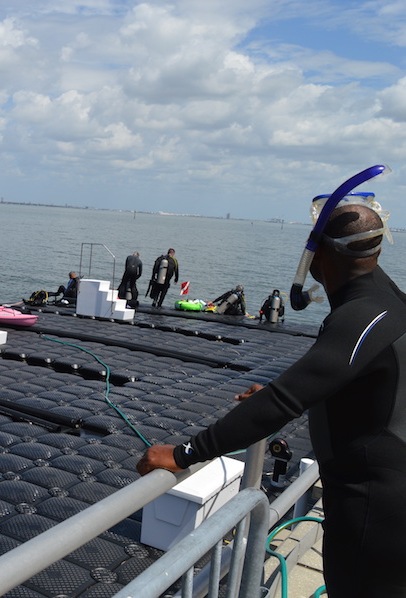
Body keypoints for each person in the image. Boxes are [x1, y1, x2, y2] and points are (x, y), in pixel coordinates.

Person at [136, 203, 406, 596]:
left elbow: (283, 402)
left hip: (370, 510)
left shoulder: (362, 317)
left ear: (319, 253)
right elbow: (358, 386)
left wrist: (185, 454)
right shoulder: (389, 299)